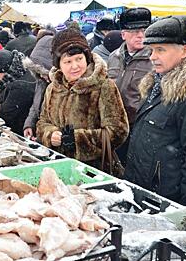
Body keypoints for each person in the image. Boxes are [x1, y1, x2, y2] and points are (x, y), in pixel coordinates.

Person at [124, 15, 186, 212]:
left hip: (170, 205)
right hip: (146, 197)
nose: (152, 57)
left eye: (161, 49)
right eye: (152, 50)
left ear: (185, 50)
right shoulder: (158, 83)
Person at [36, 28, 129, 170]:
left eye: (79, 59)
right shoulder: (53, 88)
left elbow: (119, 131)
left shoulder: (104, 86)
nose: (75, 66)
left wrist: (78, 139)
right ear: (58, 65)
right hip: (59, 165)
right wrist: (50, 134)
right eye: (68, 61)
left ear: (87, 57)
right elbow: (43, 121)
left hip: (94, 170)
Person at [107, 7, 153, 164]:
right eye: (134, 31)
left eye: (144, 30)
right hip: (116, 127)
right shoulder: (114, 57)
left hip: (140, 128)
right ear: (123, 34)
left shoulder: (154, 59)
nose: (140, 35)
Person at [0, 49, 36, 134]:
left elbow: (4, 115)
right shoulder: (22, 73)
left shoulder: (19, 87)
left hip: (20, 131)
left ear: (5, 70)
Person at [23, 28, 55, 140]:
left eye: (43, 72)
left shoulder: (61, 87)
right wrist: (29, 123)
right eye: (38, 72)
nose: (41, 76)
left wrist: (44, 136)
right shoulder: (42, 81)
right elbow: (35, 105)